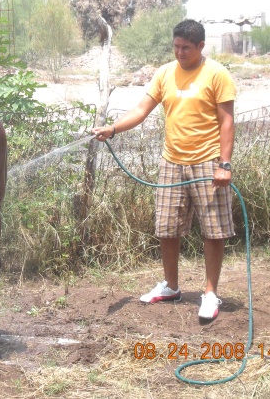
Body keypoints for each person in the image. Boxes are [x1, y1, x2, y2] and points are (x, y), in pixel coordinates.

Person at [92, 19, 236, 321]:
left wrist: (225, 164)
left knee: (213, 231)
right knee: (167, 228)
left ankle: (210, 293)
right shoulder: (165, 73)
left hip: (208, 161)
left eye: (186, 47)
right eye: (176, 47)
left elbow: (226, 122)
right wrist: (113, 129)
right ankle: (171, 286)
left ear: (200, 46)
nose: (180, 52)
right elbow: (142, 110)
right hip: (172, 161)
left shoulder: (217, 74)